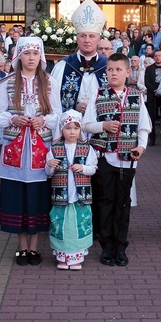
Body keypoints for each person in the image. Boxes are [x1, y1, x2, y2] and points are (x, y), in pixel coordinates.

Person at [0, 36, 60, 267]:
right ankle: (22, 247)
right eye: (26, 54)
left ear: (40, 56)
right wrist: (13, 117)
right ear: (18, 56)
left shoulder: (49, 82)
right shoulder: (7, 82)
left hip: (41, 151)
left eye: (34, 54)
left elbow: (58, 115)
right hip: (16, 153)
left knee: (38, 199)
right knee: (18, 200)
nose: (31, 58)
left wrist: (44, 120)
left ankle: (34, 247)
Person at [83, 53, 150, 266]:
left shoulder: (136, 95)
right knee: (105, 202)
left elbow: (144, 126)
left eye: (118, 69)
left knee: (123, 203)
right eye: (110, 69)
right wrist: (102, 126)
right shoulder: (98, 94)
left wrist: (141, 146)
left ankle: (121, 247)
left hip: (128, 159)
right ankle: (106, 247)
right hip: (104, 157)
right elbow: (86, 125)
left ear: (128, 72)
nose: (113, 73)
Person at [45, 110, 98, 270]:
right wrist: (49, 166)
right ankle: (62, 256)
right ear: (62, 129)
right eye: (68, 128)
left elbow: (93, 168)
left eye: (76, 128)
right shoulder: (54, 149)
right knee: (60, 224)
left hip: (79, 196)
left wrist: (82, 167)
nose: (72, 132)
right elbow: (48, 173)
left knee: (79, 223)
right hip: (61, 196)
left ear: (80, 129)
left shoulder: (87, 148)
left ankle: (76, 257)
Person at [50, 0, 107, 113]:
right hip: (70, 127)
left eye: (91, 36)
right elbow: (52, 101)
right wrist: (73, 108)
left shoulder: (108, 67)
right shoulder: (62, 67)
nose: (87, 40)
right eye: (83, 36)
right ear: (77, 39)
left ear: (98, 40)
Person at [144, 49, 161, 146]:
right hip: (152, 95)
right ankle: (152, 139)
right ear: (154, 57)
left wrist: (160, 92)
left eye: (159, 55)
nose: (158, 57)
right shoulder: (149, 69)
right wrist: (155, 91)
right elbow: (147, 82)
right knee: (152, 118)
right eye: (156, 56)